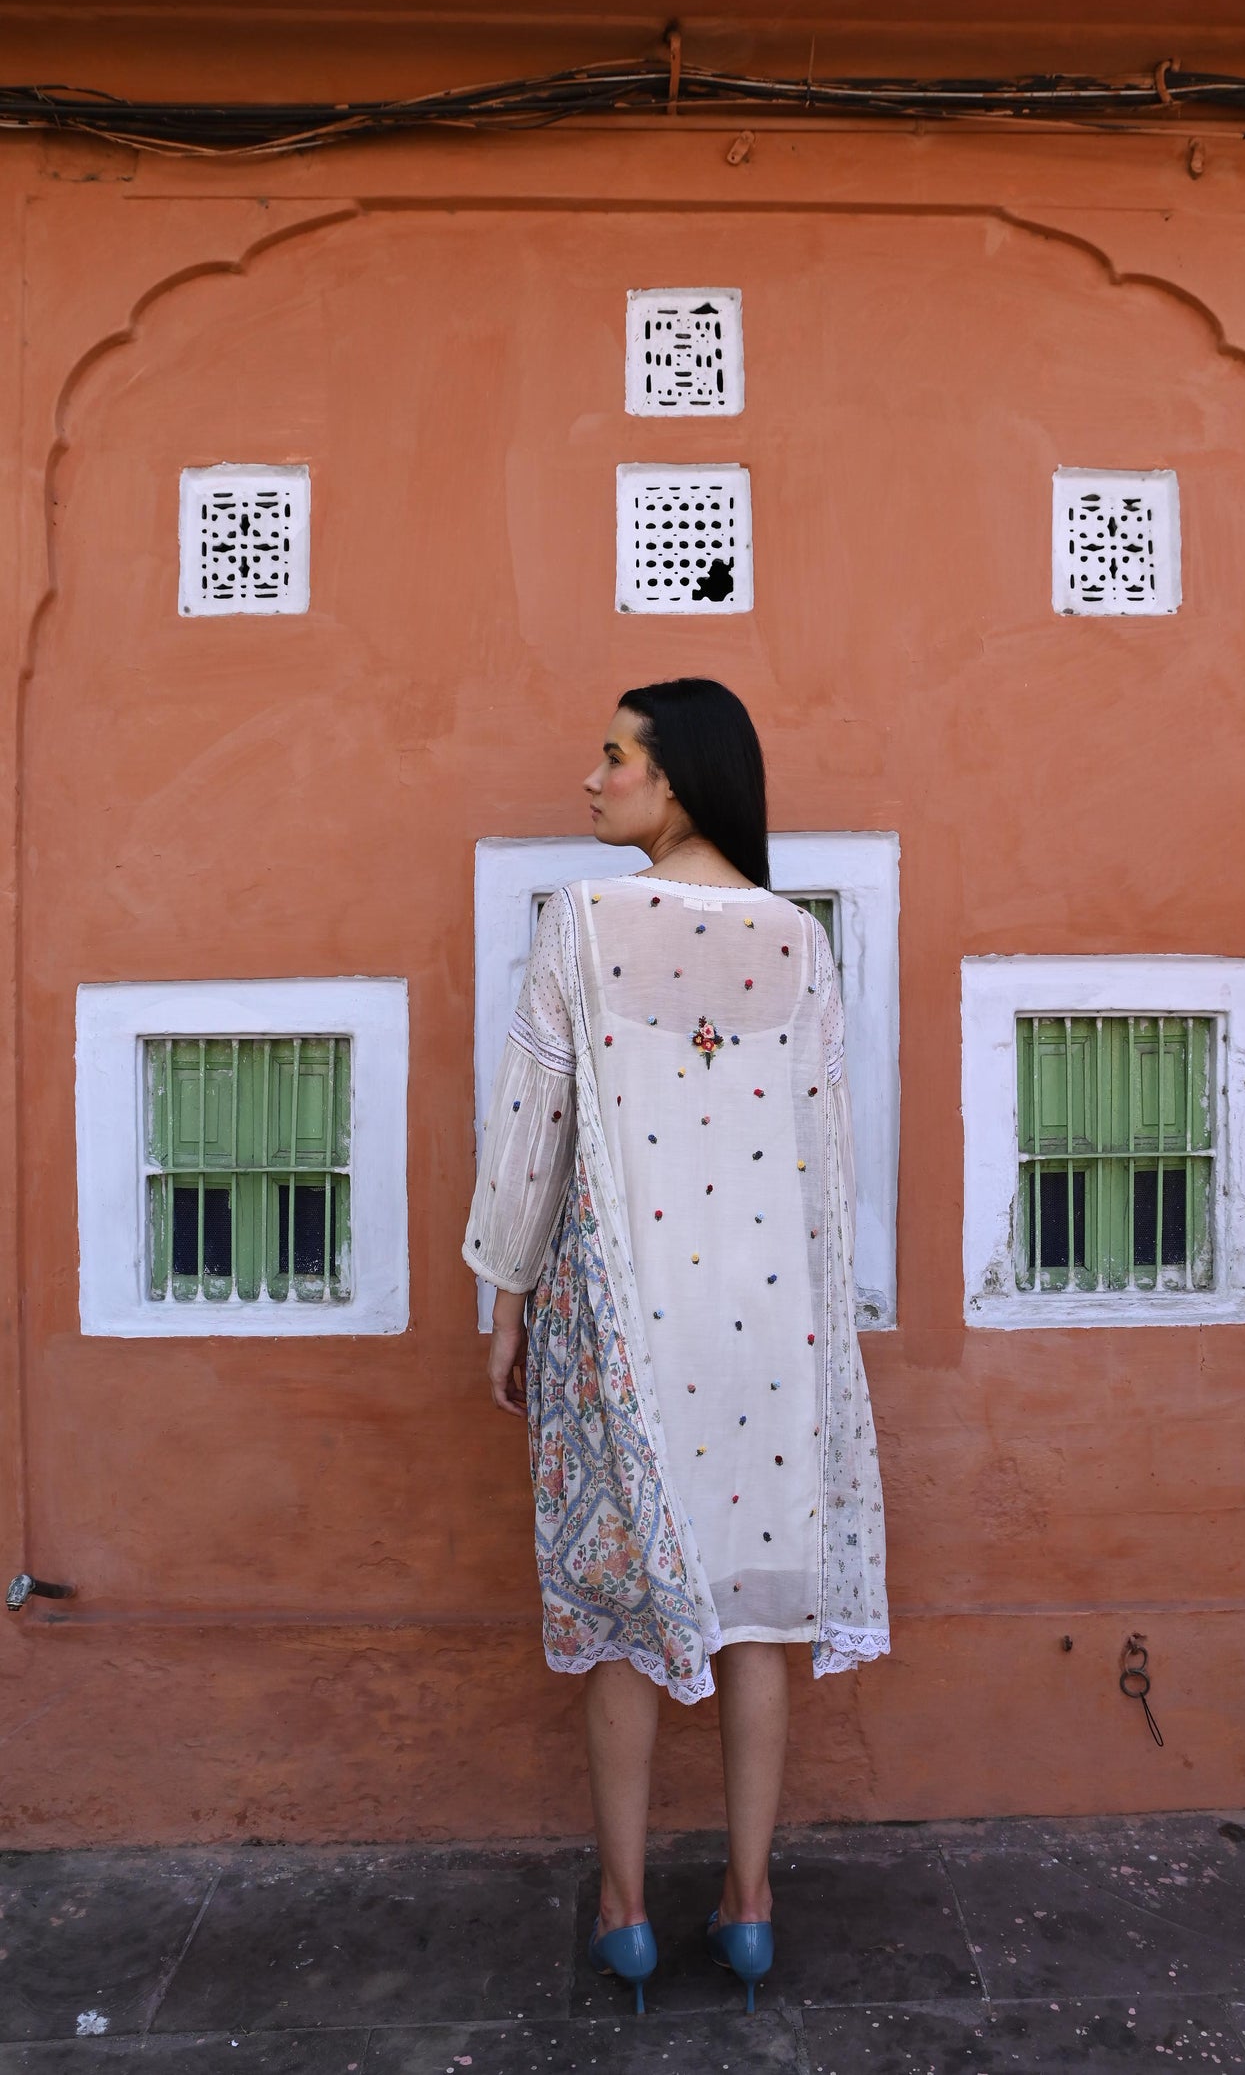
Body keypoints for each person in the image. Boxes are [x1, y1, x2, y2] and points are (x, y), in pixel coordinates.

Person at [462, 677, 888, 2014]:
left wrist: (507, 1294)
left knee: (626, 1628)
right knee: (759, 1619)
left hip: (630, 1330)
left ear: (681, 779)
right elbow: (827, 1162)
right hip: (771, 1330)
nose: (590, 782)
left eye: (613, 759)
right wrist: (830, 1352)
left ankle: (628, 1910)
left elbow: (533, 1122)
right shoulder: (797, 943)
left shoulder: (585, 925)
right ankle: (751, 1908)